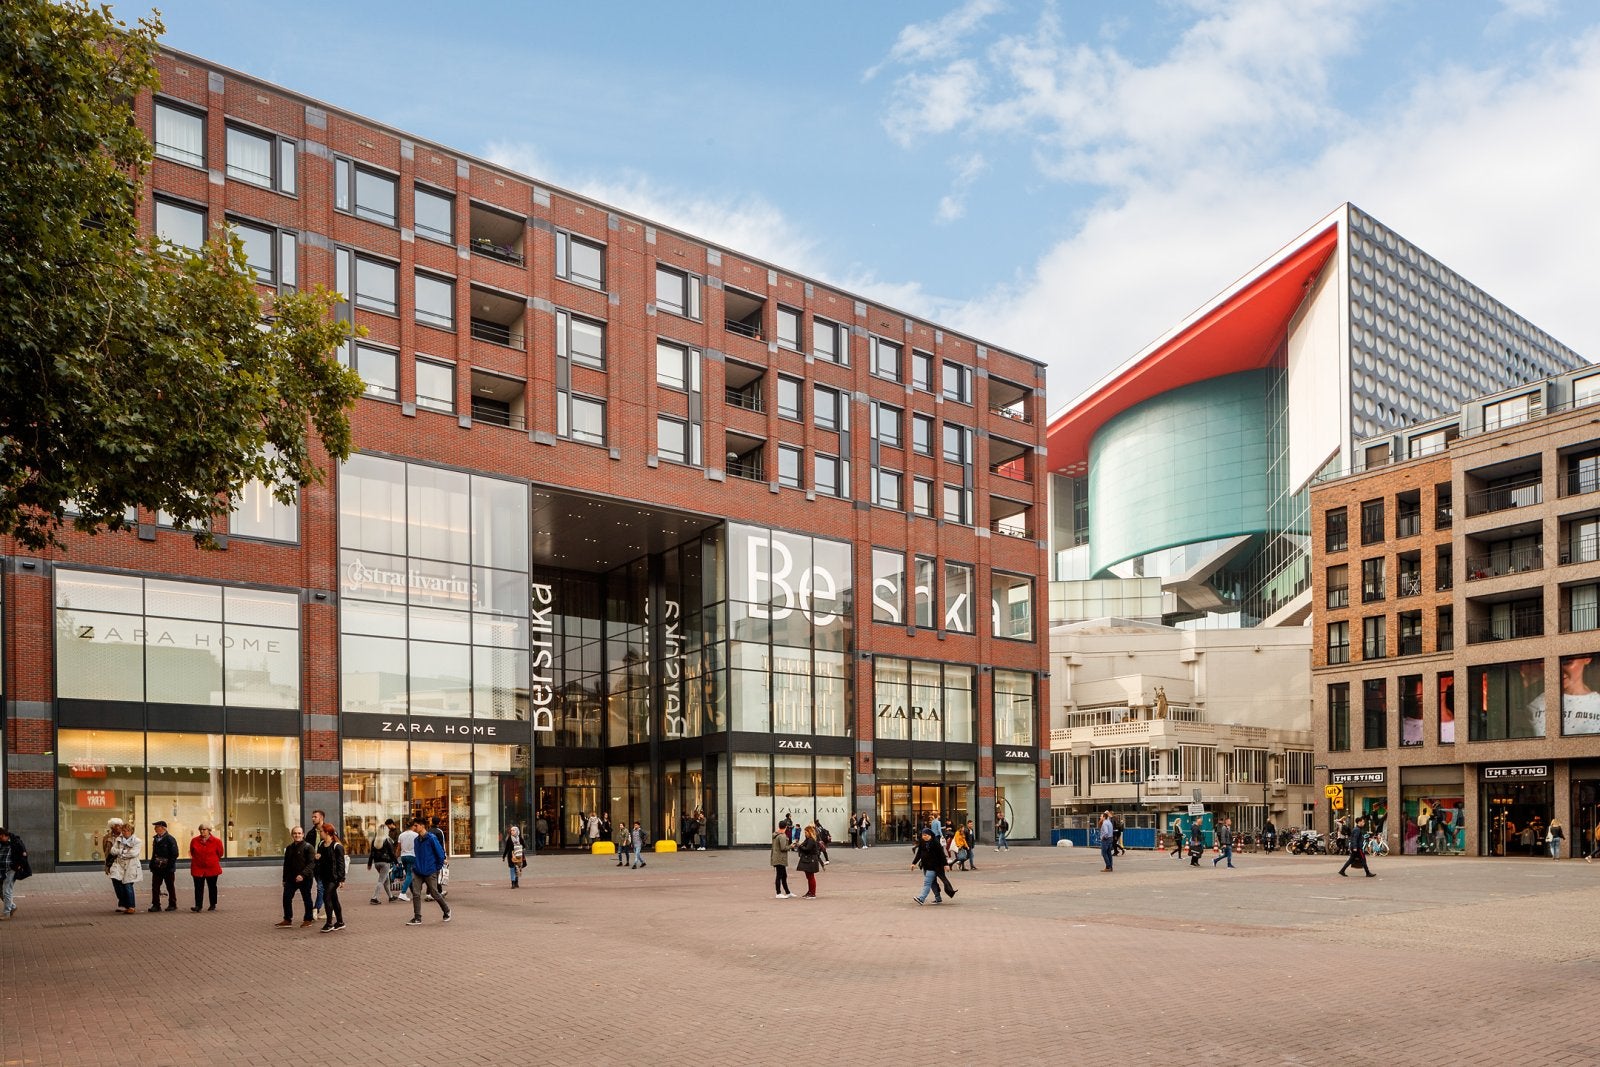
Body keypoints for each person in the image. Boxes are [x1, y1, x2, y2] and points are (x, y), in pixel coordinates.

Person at [405, 817, 451, 925]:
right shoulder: (416, 840)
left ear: (422, 826)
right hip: (418, 870)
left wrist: (437, 868)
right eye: (414, 826)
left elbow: (440, 854)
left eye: (416, 825)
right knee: (416, 894)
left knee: (435, 893)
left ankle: (447, 911)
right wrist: (415, 866)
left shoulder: (431, 838)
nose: (414, 828)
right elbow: (417, 854)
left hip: (430, 870)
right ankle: (417, 918)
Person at [276, 826, 316, 928]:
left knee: (306, 898)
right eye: (295, 833)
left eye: (299, 833)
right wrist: (284, 879)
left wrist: (302, 875)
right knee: (286, 898)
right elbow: (286, 865)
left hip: (305, 878)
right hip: (291, 879)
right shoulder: (289, 848)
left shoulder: (308, 847)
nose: (297, 835)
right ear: (292, 835)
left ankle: (308, 919)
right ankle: (287, 919)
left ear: (303, 834)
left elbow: (312, 864)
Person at [315, 824, 346, 932]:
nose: (320, 833)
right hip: (324, 876)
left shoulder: (337, 846)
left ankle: (329, 923)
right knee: (334, 898)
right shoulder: (321, 844)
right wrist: (317, 858)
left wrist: (342, 879)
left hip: (334, 878)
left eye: (321, 832)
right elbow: (320, 859)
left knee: (326, 897)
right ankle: (340, 922)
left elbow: (341, 864)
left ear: (327, 832)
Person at [188, 822, 225, 912]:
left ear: (209, 831)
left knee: (212, 886)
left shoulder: (217, 841)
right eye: (200, 830)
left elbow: (220, 853)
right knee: (198, 887)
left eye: (204, 829)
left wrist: (211, 860)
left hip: (211, 867)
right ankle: (198, 905)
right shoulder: (194, 840)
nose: (202, 831)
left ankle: (212, 904)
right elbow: (192, 852)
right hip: (198, 867)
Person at [108, 821, 142, 914]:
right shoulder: (119, 839)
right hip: (118, 864)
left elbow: (133, 853)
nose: (125, 832)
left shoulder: (137, 841)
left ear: (131, 831)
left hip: (131, 865)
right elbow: (112, 851)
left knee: (127, 885)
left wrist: (121, 853)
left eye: (127, 830)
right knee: (115, 880)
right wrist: (123, 851)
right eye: (124, 830)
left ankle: (131, 906)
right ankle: (123, 903)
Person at [146, 820, 179, 912]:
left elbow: (175, 853)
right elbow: (154, 853)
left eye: (157, 827)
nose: (155, 829)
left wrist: (169, 865)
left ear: (163, 828)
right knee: (155, 887)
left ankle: (172, 904)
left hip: (168, 868)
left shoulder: (170, 839)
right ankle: (156, 905)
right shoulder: (156, 839)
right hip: (157, 867)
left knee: (170, 886)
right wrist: (152, 864)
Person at [0, 826, 30, 920]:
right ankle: (12, 907)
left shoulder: (16, 842)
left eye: (0, 838)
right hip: (2, 869)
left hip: (11, 869)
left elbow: (24, 855)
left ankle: (6, 913)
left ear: (4, 835)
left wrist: (18, 866)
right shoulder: (1, 842)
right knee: (1, 891)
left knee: (6, 890)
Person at [911, 828, 947, 905]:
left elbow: (942, 854)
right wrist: (914, 863)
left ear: (930, 835)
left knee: (927, 883)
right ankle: (938, 898)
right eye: (923, 835)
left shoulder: (935, 843)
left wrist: (945, 864)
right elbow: (919, 853)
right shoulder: (922, 842)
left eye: (925, 835)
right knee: (932, 883)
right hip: (925, 866)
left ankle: (921, 898)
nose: (923, 837)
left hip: (934, 866)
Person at [368, 819, 398, 904]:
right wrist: (396, 862)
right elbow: (391, 853)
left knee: (386, 880)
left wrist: (369, 863)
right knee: (381, 880)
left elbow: (372, 853)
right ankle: (374, 898)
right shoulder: (387, 840)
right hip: (385, 863)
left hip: (377, 863)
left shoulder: (375, 840)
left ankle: (391, 897)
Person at [306, 809, 327, 920]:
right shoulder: (311, 833)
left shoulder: (329, 830)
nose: (313, 819)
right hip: (314, 865)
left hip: (325, 865)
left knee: (320, 887)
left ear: (321, 818)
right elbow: (307, 849)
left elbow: (335, 846)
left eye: (315, 817)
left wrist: (321, 855)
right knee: (325, 888)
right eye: (312, 817)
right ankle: (331, 910)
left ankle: (316, 909)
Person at [101, 818, 125, 909]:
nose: (119, 827)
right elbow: (105, 851)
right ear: (112, 827)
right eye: (117, 825)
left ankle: (124, 902)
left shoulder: (125, 836)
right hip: (112, 862)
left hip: (123, 862)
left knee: (124, 883)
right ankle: (121, 901)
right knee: (116, 882)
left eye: (120, 825)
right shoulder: (107, 837)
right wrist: (107, 864)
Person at [796, 825, 823, 898]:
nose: (805, 834)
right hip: (809, 859)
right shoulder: (808, 839)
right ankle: (810, 891)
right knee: (809, 877)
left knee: (811, 877)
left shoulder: (811, 840)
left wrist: (800, 846)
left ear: (809, 832)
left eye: (806, 832)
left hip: (811, 860)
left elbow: (807, 849)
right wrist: (800, 845)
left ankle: (812, 893)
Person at [771, 820, 794, 899]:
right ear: (786, 827)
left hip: (776, 857)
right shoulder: (782, 836)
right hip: (780, 858)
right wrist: (791, 846)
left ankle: (787, 892)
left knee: (783, 875)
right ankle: (778, 893)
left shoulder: (775, 834)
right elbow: (783, 848)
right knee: (780, 875)